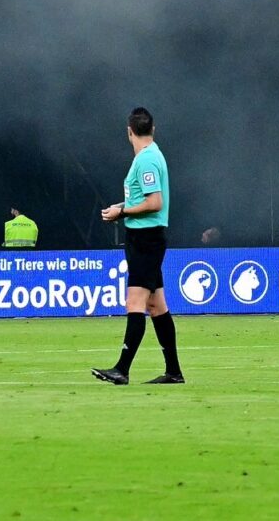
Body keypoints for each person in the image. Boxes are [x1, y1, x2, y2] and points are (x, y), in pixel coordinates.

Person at [92, 106, 182, 386]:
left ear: (129, 131)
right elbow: (146, 200)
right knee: (157, 306)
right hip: (145, 237)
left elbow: (155, 203)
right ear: (152, 129)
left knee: (135, 302)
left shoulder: (146, 160)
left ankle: (122, 369)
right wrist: (121, 207)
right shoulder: (152, 156)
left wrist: (122, 213)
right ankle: (174, 372)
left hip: (146, 239)